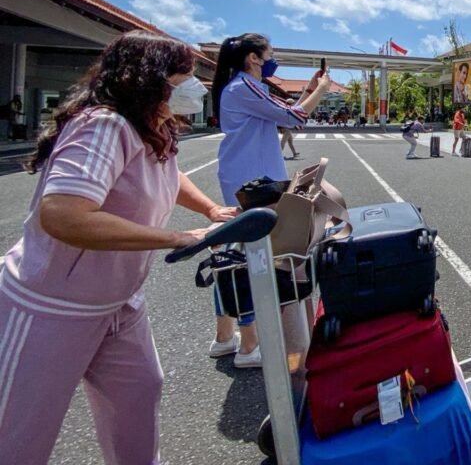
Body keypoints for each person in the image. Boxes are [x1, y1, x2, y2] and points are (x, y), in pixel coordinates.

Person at [0, 31, 236, 464]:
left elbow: (167, 173)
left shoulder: (151, 125)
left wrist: (209, 210)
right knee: (19, 432)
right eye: (184, 75)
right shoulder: (104, 125)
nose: (195, 86)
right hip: (51, 306)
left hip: (118, 304)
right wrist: (177, 237)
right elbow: (64, 214)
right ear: (150, 77)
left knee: (138, 397)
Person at [210, 33, 334, 368]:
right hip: (255, 183)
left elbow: (285, 111)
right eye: (269, 54)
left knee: (233, 253)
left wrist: (309, 90)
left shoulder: (242, 88)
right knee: (253, 258)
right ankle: (249, 346)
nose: (272, 59)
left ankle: (225, 337)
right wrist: (321, 92)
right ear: (253, 58)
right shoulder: (244, 86)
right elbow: (294, 117)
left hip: (247, 177)